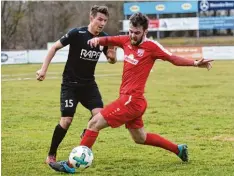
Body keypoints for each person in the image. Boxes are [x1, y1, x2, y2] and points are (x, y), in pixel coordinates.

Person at [49, 12, 213, 173]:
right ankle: (178, 149)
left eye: (137, 33)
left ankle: (71, 165)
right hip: (133, 102)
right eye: (131, 31)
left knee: (93, 124)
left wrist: (195, 63)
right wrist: (97, 39)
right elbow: (109, 39)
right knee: (139, 138)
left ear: (145, 32)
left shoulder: (151, 47)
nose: (133, 36)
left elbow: (173, 58)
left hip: (131, 101)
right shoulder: (126, 40)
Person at [36, 5, 117, 164]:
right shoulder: (77, 34)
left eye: (105, 21)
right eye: (99, 19)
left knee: (99, 115)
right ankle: (51, 154)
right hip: (70, 84)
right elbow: (54, 47)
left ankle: (86, 133)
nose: (102, 23)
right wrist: (43, 69)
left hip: (89, 85)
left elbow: (111, 58)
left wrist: (112, 56)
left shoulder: (104, 38)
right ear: (91, 18)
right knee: (66, 120)